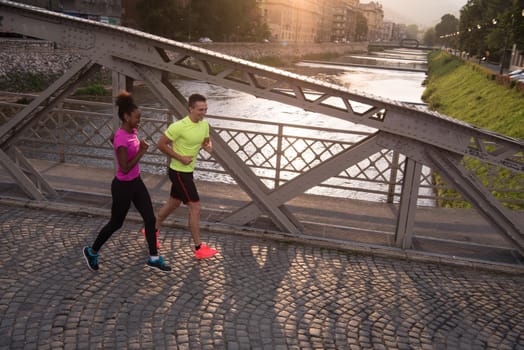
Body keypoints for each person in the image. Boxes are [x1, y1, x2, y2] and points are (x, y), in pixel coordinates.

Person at [83, 90, 171, 272]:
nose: (139, 121)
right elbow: (124, 168)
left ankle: (154, 258)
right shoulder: (122, 139)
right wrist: (141, 151)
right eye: (137, 118)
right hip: (122, 186)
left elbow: (112, 138)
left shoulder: (131, 131)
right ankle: (92, 251)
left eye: (140, 118)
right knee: (116, 223)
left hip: (136, 182)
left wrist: (120, 144)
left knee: (149, 218)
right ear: (125, 116)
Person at [152, 93, 218, 259]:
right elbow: (160, 144)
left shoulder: (204, 125)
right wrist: (180, 157)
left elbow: (204, 141)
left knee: (173, 204)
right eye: (200, 109)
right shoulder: (179, 126)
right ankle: (198, 248)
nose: (203, 112)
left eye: (205, 109)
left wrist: (208, 146)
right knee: (195, 207)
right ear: (191, 109)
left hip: (188, 172)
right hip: (179, 172)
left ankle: (151, 231)